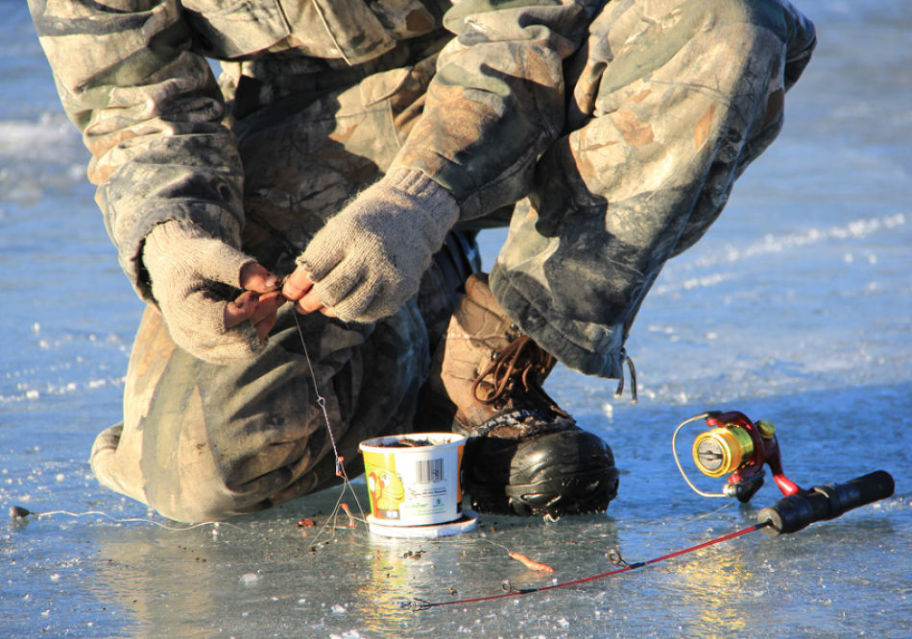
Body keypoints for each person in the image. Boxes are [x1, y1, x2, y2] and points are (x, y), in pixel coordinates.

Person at [29, 0, 815, 523]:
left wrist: (421, 194)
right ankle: (418, 346)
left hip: (519, 82)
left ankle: (491, 357)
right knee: (202, 473)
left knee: (722, 28)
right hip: (300, 128)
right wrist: (172, 237)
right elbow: (131, 95)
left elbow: (523, 24)